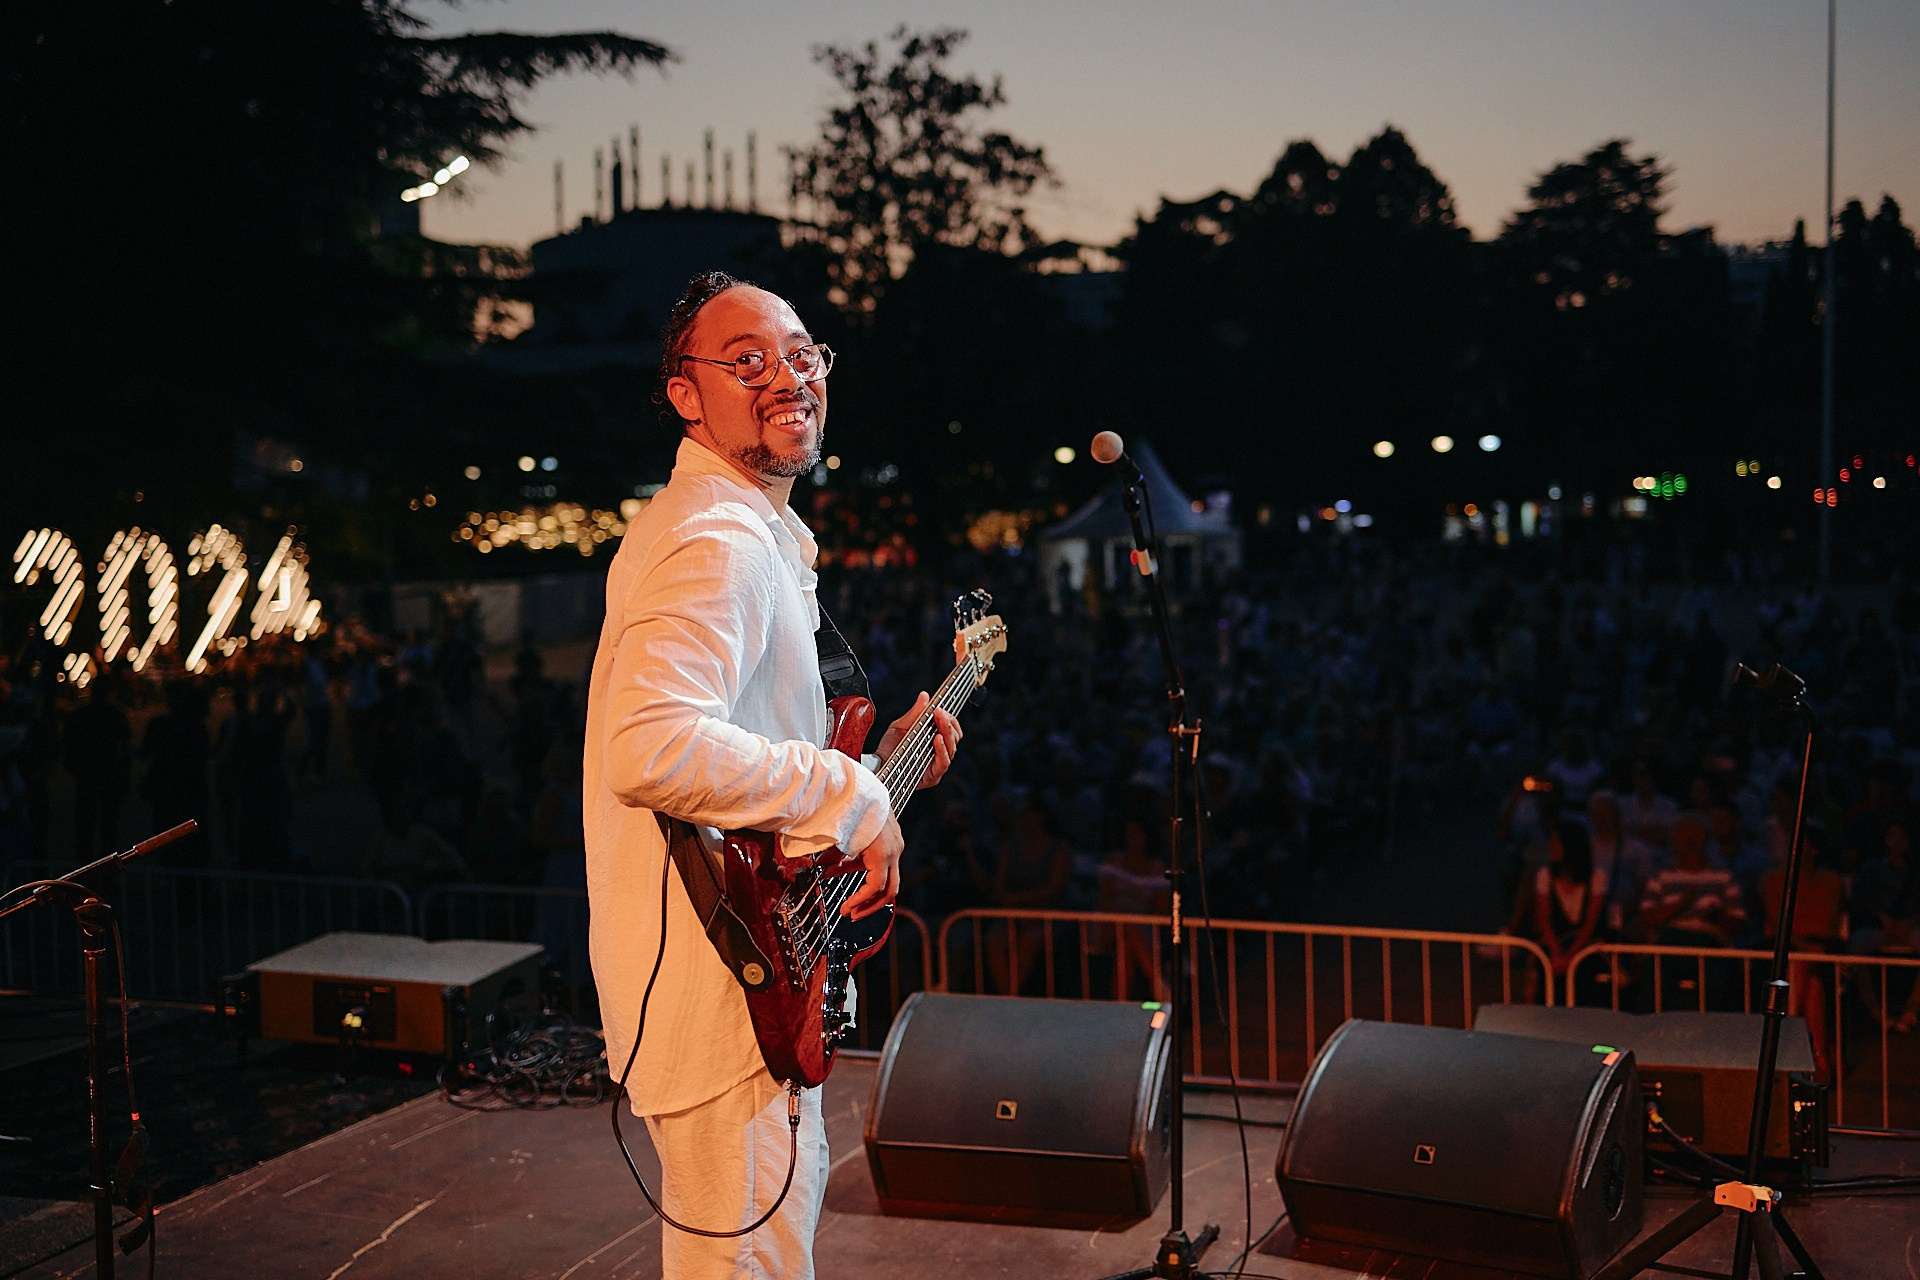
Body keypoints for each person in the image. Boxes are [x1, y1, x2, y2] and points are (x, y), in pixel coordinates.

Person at [583, 271, 962, 1280]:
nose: (787, 378)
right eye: (746, 361)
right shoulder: (720, 543)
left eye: (801, 355)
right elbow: (651, 744)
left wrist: (876, 767)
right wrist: (853, 795)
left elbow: (739, 756)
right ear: (685, 394)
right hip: (722, 994)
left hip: (746, 973)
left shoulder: (740, 532)